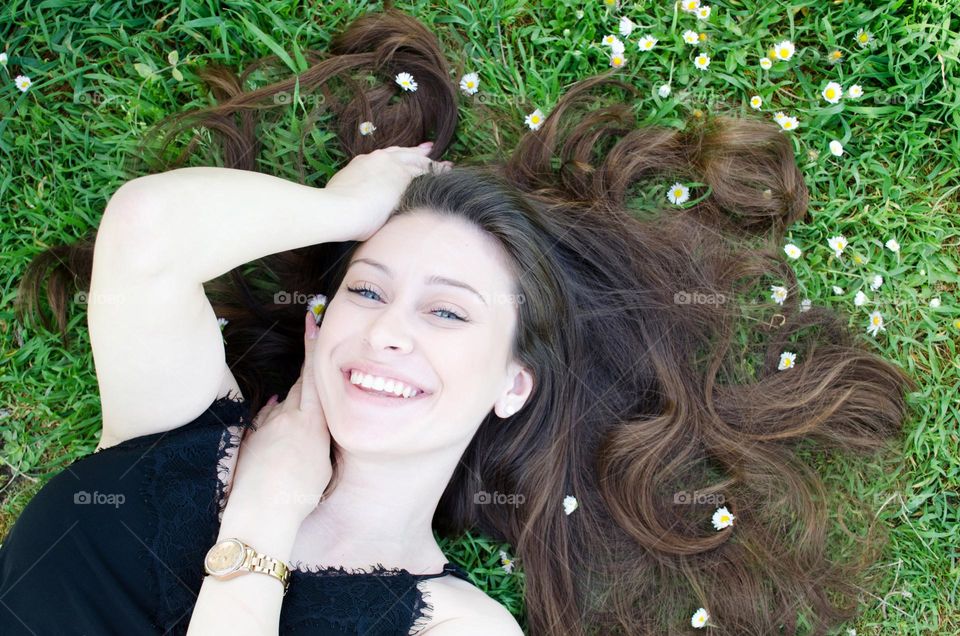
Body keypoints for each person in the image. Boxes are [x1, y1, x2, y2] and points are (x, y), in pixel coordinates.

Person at [5, 6, 917, 636]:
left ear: (513, 380)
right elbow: (146, 232)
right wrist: (342, 211)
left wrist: (268, 515)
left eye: (447, 311)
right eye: (367, 290)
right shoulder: (179, 428)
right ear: (317, 326)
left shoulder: (458, 627)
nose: (391, 330)